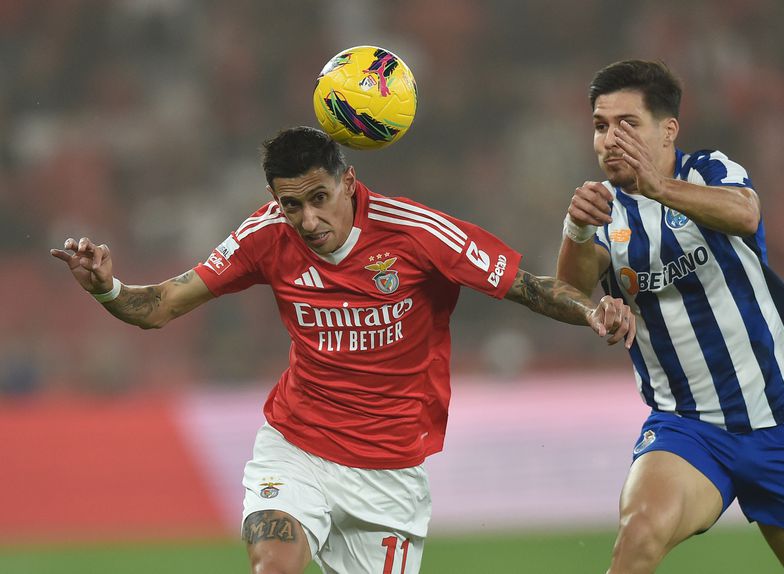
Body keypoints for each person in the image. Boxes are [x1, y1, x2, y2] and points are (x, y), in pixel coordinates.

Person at [50, 126, 635, 574]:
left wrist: (593, 309)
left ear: (348, 182)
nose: (307, 219)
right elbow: (163, 305)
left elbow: (529, 287)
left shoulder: (418, 234)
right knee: (273, 563)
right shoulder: (264, 237)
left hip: (390, 473)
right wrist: (109, 288)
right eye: (290, 205)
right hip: (297, 447)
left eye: (318, 198)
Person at [555, 59, 784, 573]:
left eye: (628, 124)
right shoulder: (602, 210)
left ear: (668, 130)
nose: (610, 139)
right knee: (639, 535)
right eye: (601, 126)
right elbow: (571, 288)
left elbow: (746, 213)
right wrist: (577, 233)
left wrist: (658, 188)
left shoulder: (708, 171)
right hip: (689, 429)